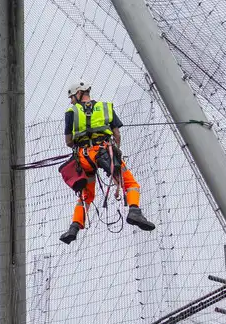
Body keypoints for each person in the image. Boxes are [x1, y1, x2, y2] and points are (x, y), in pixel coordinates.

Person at [59, 79, 155, 244]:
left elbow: (68, 141)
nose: (71, 100)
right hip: (105, 152)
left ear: (78, 93)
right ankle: (134, 211)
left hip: (83, 157)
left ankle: (74, 226)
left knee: (86, 195)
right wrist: (115, 151)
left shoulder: (71, 111)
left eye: (71, 97)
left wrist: (82, 143)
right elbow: (117, 135)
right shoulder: (106, 107)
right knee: (130, 183)